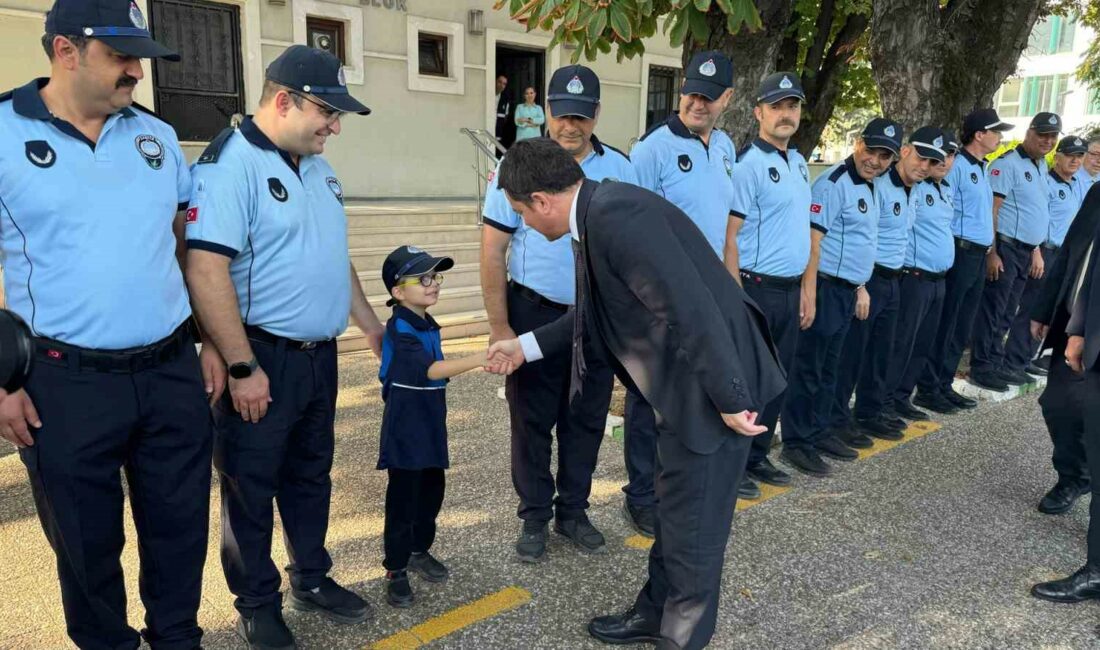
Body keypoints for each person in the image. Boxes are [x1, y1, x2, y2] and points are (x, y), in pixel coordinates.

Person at [487, 137, 785, 650]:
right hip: (689, 387)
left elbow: (690, 308)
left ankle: (681, 636)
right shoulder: (599, 211)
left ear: (540, 200)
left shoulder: (616, 217)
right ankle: (655, 613)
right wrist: (525, 347)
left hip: (717, 390)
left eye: (520, 213)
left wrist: (732, 398)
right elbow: (595, 315)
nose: (525, 226)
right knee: (676, 511)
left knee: (696, 535)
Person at [0, 1, 223, 647]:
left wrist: (209, 341)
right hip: (63, 384)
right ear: (66, 51)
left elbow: (184, 245)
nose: (136, 72)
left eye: (140, 58)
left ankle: (177, 637)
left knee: (180, 530)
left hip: (169, 373)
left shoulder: (153, 137)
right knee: (86, 545)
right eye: (121, 57)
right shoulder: (6, 131)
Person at [185, 46, 384, 648]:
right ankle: (256, 602)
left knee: (310, 475)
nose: (336, 126)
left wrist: (371, 325)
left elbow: (333, 256)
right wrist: (241, 363)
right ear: (282, 101)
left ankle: (312, 577)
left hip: (319, 356)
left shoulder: (319, 168)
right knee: (250, 482)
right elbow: (204, 269)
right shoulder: (229, 166)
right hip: (262, 357)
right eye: (327, 111)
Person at [481, 65, 636, 557]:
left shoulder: (621, 168)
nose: (570, 125)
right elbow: (491, 251)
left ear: (595, 116)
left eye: (581, 116)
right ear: (546, 110)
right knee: (530, 421)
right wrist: (501, 327)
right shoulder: (518, 167)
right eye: (561, 114)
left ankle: (573, 510)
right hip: (533, 313)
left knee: (586, 419)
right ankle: (534, 517)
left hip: (594, 320)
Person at [624, 51, 747, 516]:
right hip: (660, 297)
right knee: (649, 399)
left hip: (707, 293)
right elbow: (634, 230)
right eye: (692, 92)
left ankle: (678, 487)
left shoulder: (726, 147)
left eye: (709, 97)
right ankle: (640, 495)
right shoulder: (652, 149)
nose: (698, 103)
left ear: (727, 99)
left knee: (694, 393)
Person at [779, 118, 900, 477]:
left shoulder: (872, 185)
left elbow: (863, 243)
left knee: (830, 370)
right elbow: (813, 244)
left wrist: (861, 285)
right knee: (809, 370)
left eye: (884, 156)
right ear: (858, 143)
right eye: (871, 150)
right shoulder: (834, 184)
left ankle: (819, 431)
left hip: (848, 291)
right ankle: (797, 442)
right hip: (826, 288)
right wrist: (810, 295)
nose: (875, 161)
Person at [376, 246, 489, 608]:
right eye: (421, 279)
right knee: (403, 499)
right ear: (397, 291)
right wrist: (481, 357)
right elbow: (431, 370)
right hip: (405, 427)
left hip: (430, 422)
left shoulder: (427, 323)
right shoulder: (400, 328)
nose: (432, 284)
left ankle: (418, 549)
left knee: (431, 492)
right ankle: (395, 568)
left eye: (434, 277)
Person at [724, 71, 812, 493]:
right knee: (750, 382)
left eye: (792, 106)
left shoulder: (797, 163)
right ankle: (735, 465)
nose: (785, 114)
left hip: (790, 289)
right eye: (776, 106)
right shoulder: (748, 166)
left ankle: (757, 459)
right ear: (758, 112)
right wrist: (737, 296)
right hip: (757, 289)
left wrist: (806, 289)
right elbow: (730, 237)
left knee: (778, 379)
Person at [829, 127, 941, 449]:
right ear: (904, 152)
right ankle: (838, 418)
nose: (924, 166)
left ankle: (869, 411)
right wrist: (862, 284)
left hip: (895, 280)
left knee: (882, 352)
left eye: (931, 162)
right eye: (921, 157)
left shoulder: (915, 189)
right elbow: (863, 237)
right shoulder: (877, 184)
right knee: (853, 354)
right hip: (869, 279)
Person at [912, 108, 1013, 414]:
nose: (1000, 137)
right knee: (948, 322)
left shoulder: (981, 167)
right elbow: (948, 211)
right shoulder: (955, 166)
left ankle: (944, 383)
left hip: (977, 253)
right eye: (995, 131)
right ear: (979, 134)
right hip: (960, 250)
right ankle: (929, 387)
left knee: (961, 324)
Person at [1032, 188, 1100, 603]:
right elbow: (1077, 252)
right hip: (1080, 327)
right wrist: (1048, 312)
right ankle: (1076, 475)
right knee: (1056, 404)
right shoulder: (1096, 194)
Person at [968, 112, 1060, 390]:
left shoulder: (1041, 165)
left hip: (1026, 250)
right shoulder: (1007, 164)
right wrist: (992, 253)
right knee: (993, 310)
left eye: (1053, 136)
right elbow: (993, 211)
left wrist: (1035, 249)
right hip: (1006, 248)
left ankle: (996, 364)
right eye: (1042, 134)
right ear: (1029, 133)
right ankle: (982, 367)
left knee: (1008, 311)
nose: (1047, 141)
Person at [886, 131, 959, 422]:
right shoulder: (916, 187)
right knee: (901, 342)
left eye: (946, 156)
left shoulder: (946, 189)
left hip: (939, 279)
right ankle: (886, 400)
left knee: (922, 343)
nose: (939, 163)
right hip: (914, 276)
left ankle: (902, 396)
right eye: (930, 158)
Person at [1003, 136, 1089, 378]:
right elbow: (1037, 220)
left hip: (1062, 255)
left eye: (1080, 156)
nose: (1075, 160)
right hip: (1044, 250)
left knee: (1047, 309)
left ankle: (1027, 357)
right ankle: (1013, 361)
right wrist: (1037, 251)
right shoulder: (1047, 183)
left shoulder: (1074, 186)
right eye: (1070, 154)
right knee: (1030, 308)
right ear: (1058, 156)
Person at [495, 74, 512, 151]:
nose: (501, 85)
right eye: (500, 82)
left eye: (504, 84)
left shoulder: (505, 99)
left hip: (498, 132)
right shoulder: (488, 95)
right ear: (495, 81)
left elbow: (506, 116)